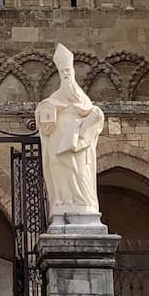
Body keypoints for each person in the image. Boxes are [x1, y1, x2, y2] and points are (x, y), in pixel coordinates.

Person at [35, 42, 105, 216]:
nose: (66, 74)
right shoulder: (52, 100)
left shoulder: (83, 99)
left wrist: (86, 123)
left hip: (77, 144)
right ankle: (63, 202)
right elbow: (44, 118)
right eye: (63, 72)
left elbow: (94, 113)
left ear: (73, 72)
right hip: (58, 142)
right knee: (59, 169)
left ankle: (81, 204)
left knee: (80, 172)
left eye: (68, 71)